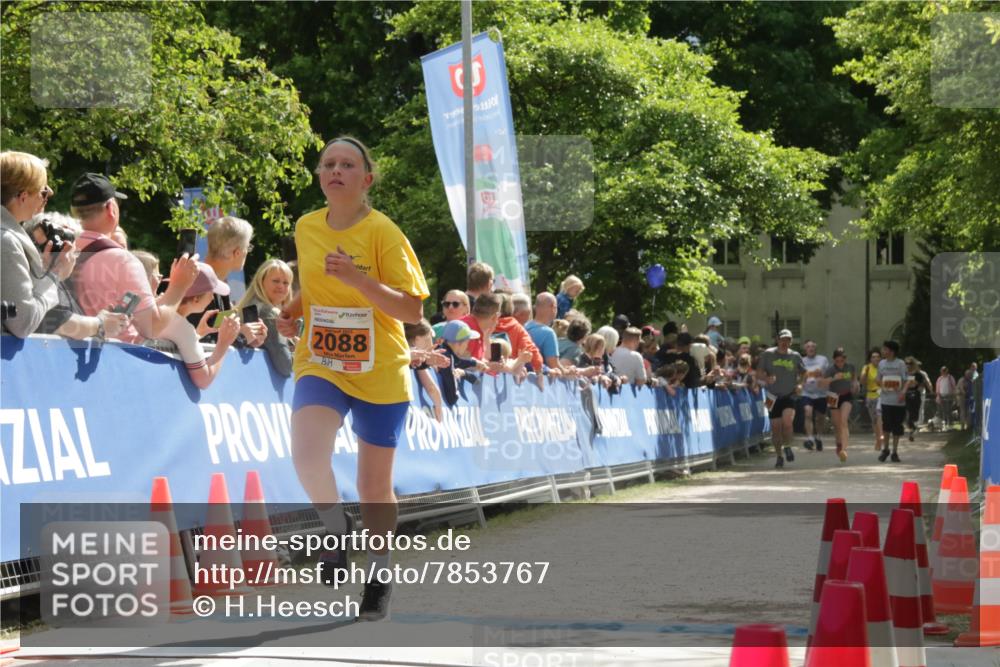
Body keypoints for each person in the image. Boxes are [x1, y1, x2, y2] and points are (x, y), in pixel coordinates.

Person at [275, 136, 428, 621]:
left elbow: (412, 308)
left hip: (380, 367)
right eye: (328, 164)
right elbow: (316, 284)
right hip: (322, 359)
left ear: (367, 179)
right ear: (320, 177)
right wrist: (292, 310)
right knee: (306, 454)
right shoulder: (306, 226)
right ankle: (334, 530)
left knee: (373, 486)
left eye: (347, 164)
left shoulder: (383, 231)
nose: (335, 170)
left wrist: (359, 280)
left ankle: (380, 571)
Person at [70, 172, 199, 343]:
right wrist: (178, 286)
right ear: (111, 208)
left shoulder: (59, 250)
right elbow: (152, 326)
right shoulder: (121, 261)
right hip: (111, 362)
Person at [1, 151, 75, 338]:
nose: (48, 195)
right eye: (43, 191)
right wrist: (54, 275)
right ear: (23, 197)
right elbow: (23, 323)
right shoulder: (6, 242)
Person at [24, 213, 129, 340]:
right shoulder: (42, 280)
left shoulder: (52, 281)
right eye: (75, 251)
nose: (75, 257)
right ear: (62, 249)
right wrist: (101, 324)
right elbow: (60, 323)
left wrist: (105, 320)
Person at [157, 262, 242, 389]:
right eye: (211, 293)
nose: (213, 298)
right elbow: (203, 380)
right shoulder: (183, 329)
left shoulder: (154, 305)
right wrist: (224, 343)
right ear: (196, 298)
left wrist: (198, 334)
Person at [187, 215, 267, 348]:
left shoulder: (215, 284)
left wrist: (250, 338)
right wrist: (242, 336)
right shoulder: (201, 282)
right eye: (248, 247)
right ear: (237, 252)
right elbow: (205, 341)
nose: (248, 252)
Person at [236, 259, 297, 377]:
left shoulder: (249, 306)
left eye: (286, 283)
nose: (281, 286)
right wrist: (301, 352)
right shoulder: (270, 314)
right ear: (261, 282)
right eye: (276, 281)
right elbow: (285, 366)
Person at [757, 329, 806, 469]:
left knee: (788, 422)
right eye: (782, 339)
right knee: (776, 429)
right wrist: (767, 378)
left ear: (791, 341)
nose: (785, 342)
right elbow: (758, 373)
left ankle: (788, 446)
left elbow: (804, 372)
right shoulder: (768, 354)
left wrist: (800, 384)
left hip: (789, 394)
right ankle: (779, 456)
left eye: (788, 340)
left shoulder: (795, 356)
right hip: (772, 396)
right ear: (777, 340)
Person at [820, 348, 859, 463]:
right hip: (833, 396)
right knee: (837, 425)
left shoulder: (850, 367)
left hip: (846, 395)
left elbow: (854, 380)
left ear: (845, 359)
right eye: (837, 361)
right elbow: (822, 383)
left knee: (843, 421)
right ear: (834, 360)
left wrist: (855, 385)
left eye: (842, 360)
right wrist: (833, 378)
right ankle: (839, 443)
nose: (840, 363)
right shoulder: (830, 369)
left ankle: (844, 449)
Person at [404, 319, 444, 420]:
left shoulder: (412, 355)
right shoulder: (413, 355)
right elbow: (431, 388)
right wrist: (439, 408)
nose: (430, 344)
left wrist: (425, 362)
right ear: (416, 339)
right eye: (427, 339)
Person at [876, 340, 908, 462]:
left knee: (897, 427)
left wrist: (903, 393)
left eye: (885, 349)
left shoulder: (900, 364)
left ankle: (895, 451)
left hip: (898, 401)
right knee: (886, 426)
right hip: (886, 400)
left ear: (891, 351)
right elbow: (878, 379)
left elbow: (906, 381)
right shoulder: (881, 364)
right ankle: (886, 449)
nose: (883, 351)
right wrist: (882, 385)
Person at [800, 340, 830, 452]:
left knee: (820, 418)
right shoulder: (801, 361)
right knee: (808, 413)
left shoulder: (823, 359)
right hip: (807, 392)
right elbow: (799, 376)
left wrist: (820, 374)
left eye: (813, 346)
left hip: (821, 393)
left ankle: (819, 437)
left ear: (816, 349)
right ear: (805, 349)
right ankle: (810, 439)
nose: (811, 348)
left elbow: (826, 374)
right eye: (808, 346)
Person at [525, 292, 564, 374]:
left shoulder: (523, 327)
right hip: (540, 381)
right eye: (556, 307)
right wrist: (569, 371)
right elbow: (554, 365)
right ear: (553, 307)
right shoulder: (548, 333)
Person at [903, 357, 932, 441]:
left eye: (910, 364)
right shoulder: (904, 373)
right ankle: (912, 429)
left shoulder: (919, 374)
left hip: (915, 396)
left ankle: (913, 430)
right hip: (905, 396)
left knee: (914, 415)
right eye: (906, 364)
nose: (908, 366)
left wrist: (930, 389)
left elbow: (913, 385)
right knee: (907, 415)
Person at [861, 349, 884, 451]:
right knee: (874, 420)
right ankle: (878, 439)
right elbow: (862, 381)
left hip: (881, 394)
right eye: (873, 357)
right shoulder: (866, 367)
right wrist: (865, 373)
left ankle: (881, 437)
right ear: (870, 359)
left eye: (877, 356)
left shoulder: (883, 367)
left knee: (880, 417)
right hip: (870, 395)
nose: (876, 359)